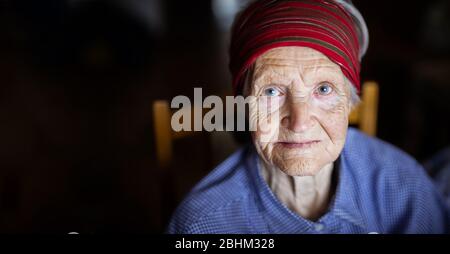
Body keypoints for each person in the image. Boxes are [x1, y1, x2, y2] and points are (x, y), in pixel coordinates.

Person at [167, 0, 450, 233]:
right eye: (271, 91)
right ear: (244, 105)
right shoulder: (202, 226)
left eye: (324, 89)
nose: (300, 122)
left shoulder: (404, 187)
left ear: (350, 102)